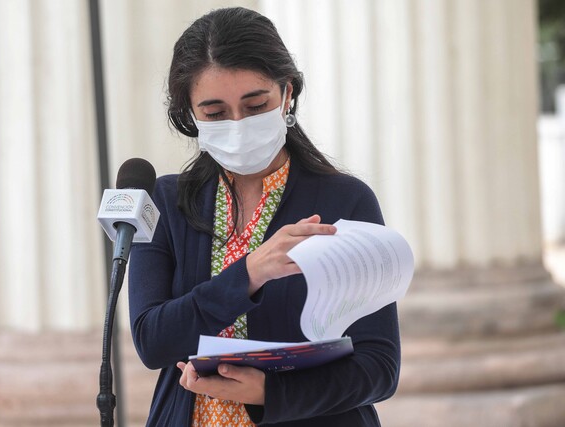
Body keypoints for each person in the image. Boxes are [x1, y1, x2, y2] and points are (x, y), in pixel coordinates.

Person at [128, 7, 400, 426]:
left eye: (256, 105)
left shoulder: (344, 202)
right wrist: (249, 274)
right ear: (191, 114)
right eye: (215, 113)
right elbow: (152, 341)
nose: (238, 124)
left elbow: (380, 366)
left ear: (286, 94)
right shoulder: (166, 201)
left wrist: (271, 393)